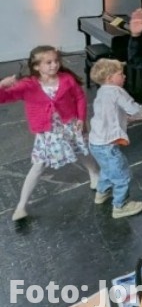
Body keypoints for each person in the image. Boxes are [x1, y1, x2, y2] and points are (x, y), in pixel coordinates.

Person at [0, 46, 99, 222]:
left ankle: (94, 173)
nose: (54, 65)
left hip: (69, 125)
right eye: (49, 62)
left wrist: (81, 118)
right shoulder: (28, 85)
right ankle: (22, 205)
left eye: (56, 61)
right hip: (47, 133)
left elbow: (80, 98)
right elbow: (4, 98)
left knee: (82, 151)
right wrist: (2, 85)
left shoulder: (67, 79)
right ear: (37, 66)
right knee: (38, 165)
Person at [86, 58, 142, 219]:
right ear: (109, 78)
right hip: (108, 144)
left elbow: (109, 114)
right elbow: (131, 107)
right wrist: (141, 114)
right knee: (122, 174)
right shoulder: (116, 91)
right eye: (120, 74)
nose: (124, 77)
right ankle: (120, 205)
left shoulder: (102, 91)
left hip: (96, 142)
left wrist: (126, 119)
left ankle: (102, 193)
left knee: (107, 169)